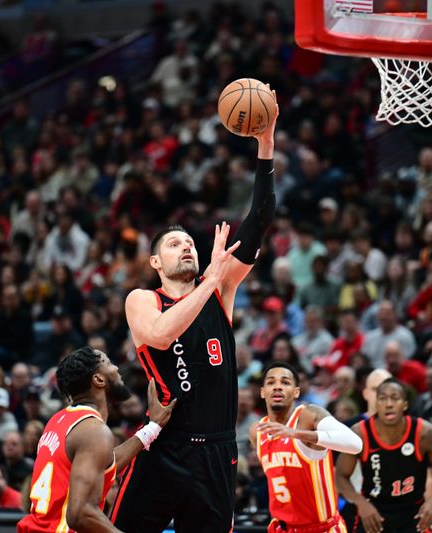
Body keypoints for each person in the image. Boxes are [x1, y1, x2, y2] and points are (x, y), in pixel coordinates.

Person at [111, 91, 279, 533]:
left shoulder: (220, 286)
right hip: (165, 447)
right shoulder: (142, 299)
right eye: (173, 244)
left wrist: (266, 143)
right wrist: (210, 280)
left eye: (189, 242)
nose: (186, 246)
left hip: (217, 452)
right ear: (155, 264)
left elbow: (260, 217)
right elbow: (162, 336)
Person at [17, 347, 175, 532]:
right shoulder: (94, 431)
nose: (116, 368)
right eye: (108, 363)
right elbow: (80, 514)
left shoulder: (59, 421)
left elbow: (103, 464)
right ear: (98, 380)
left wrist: (152, 428)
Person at [249, 362, 362, 532]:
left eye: (285, 382)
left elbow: (355, 444)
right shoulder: (257, 431)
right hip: (282, 527)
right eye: (271, 382)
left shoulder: (308, 416)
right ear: (263, 392)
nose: (277, 387)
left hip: (321, 528)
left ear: (296, 392)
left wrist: (295, 433)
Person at [335, 378, 432, 533]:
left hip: (413, 513)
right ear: (376, 404)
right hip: (374, 512)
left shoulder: (425, 433)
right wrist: (361, 503)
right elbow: (341, 476)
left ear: (405, 404)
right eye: (382, 398)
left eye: (395, 398)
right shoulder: (360, 433)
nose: (388, 404)